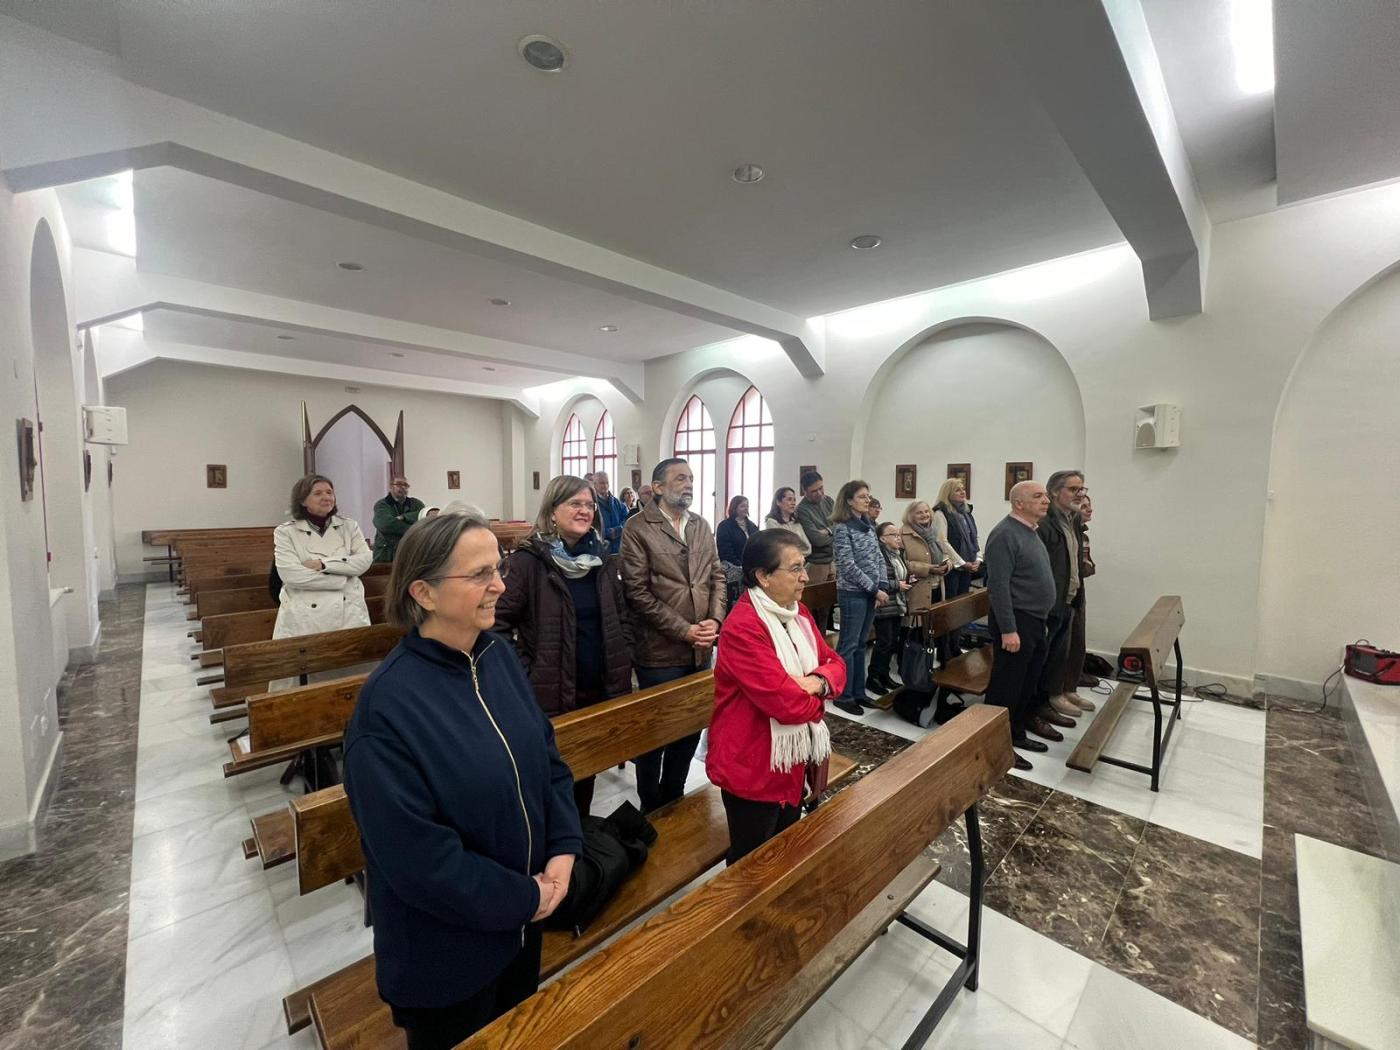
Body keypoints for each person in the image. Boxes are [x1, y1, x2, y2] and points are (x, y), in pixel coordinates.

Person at [341, 511, 582, 1050]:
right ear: (423, 592)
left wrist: (563, 850)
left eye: (498, 568)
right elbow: (420, 863)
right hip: (446, 959)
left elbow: (547, 759)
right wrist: (526, 896)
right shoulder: (386, 709)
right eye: (479, 574)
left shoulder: (496, 656)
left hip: (522, 927)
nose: (500, 585)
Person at [493, 476, 634, 815]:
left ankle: (579, 840)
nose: (584, 511)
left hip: (598, 690)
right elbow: (495, 626)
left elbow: (622, 617)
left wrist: (623, 655)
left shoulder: (601, 560)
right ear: (552, 511)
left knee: (584, 778)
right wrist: (525, 672)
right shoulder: (528, 562)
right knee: (548, 787)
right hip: (549, 694)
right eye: (575, 504)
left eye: (589, 505)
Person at [707, 530, 846, 864]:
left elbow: (838, 665)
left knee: (783, 850)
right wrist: (820, 690)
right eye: (795, 568)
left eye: (804, 566)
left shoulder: (798, 614)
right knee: (751, 861)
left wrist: (815, 682)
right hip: (753, 763)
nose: (805, 576)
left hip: (792, 758)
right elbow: (787, 706)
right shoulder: (743, 627)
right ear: (763, 576)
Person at [620, 457, 727, 812]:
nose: (689, 484)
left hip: (700, 647)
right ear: (658, 487)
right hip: (659, 650)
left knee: (691, 725)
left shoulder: (700, 525)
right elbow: (637, 593)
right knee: (656, 732)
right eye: (680, 478)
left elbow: (717, 576)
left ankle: (674, 795)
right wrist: (685, 630)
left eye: (691, 478)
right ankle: (650, 804)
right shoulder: (638, 527)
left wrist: (715, 620)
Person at [983, 480, 1057, 770]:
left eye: (1045, 496)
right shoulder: (1004, 534)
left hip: (1034, 620)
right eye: (1038, 496)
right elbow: (998, 587)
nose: (1046, 500)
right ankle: (993, 747)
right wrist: (1008, 629)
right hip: (1016, 621)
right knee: (1007, 688)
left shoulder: (1030, 531)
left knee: (1027, 683)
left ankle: (1014, 734)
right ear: (1019, 503)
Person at [273, 474, 373, 639]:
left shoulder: (349, 526)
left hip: (349, 612)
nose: (326, 497)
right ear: (303, 500)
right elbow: (290, 575)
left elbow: (365, 561)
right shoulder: (286, 532)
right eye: (317, 493)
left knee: (352, 652)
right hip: (306, 617)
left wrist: (323, 564)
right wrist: (342, 577)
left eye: (329, 492)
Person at [1035, 470, 1088, 729]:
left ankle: (1059, 693)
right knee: (1046, 656)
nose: (1080, 494)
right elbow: (1040, 568)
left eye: (1082, 489)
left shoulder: (1073, 519)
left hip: (1069, 596)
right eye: (1073, 489)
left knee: (1060, 653)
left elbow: (1074, 559)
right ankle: (1043, 702)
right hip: (1050, 601)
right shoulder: (1044, 523)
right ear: (1055, 492)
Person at [831, 480, 889, 716]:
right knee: (848, 644)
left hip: (870, 592)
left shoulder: (868, 525)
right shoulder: (842, 528)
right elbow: (847, 565)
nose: (867, 500)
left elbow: (878, 557)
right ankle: (843, 695)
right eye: (862, 496)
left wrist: (882, 584)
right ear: (849, 500)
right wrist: (874, 589)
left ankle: (858, 692)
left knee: (861, 644)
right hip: (853, 593)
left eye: (868, 496)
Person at [1060, 491, 1097, 707]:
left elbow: (1087, 565)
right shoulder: (1064, 533)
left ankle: (1070, 687)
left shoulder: (1082, 535)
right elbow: (1079, 567)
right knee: (1066, 645)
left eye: (1089, 505)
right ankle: (1061, 690)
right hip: (1065, 596)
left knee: (1077, 642)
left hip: (1077, 592)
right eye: (1084, 506)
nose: (1089, 510)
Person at [870, 522, 912, 695]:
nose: (898, 538)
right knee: (883, 643)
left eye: (898, 534)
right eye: (893, 535)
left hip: (897, 604)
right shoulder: (879, 554)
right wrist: (897, 585)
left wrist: (908, 580)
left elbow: (900, 575)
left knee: (891, 642)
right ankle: (873, 678)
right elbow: (876, 580)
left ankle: (884, 675)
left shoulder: (897, 554)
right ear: (882, 539)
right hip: (884, 605)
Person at [932, 478, 982, 610]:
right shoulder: (940, 513)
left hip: (968, 564)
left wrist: (978, 558)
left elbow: (974, 537)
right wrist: (961, 562)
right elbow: (942, 541)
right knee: (951, 605)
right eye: (957, 490)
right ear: (948, 493)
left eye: (963, 489)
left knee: (963, 604)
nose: (962, 492)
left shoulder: (966, 512)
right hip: (952, 567)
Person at [716, 495, 760, 607]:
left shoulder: (752, 526)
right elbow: (725, 551)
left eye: (747, 506)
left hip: (750, 565)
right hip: (732, 565)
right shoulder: (725, 526)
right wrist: (740, 564)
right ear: (734, 508)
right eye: (742, 506)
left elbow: (758, 546)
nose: (746, 508)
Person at [372, 475, 425, 563]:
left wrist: (403, 517)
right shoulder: (382, 505)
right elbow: (385, 524)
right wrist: (413, 528)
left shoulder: (416, 504)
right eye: (399, 484)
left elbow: (424, 517)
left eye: (406, 485)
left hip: (411, 552)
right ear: (391, 486)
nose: (403, 487)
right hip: (386, 554)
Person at [795, 471, 836, 585]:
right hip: (816, 563)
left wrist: (827, 531)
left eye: (821, 488)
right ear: (805, 492)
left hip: (833, 560)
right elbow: (817, 540)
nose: (819, 493)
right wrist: (835, 531)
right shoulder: (802, 510)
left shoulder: (828, 501)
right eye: (814, 491)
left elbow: (842, 526)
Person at [764, 487, 811, 558]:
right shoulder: (772, 522)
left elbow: (808, 548)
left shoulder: (796, 523)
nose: (793, 503)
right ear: (778, 502)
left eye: (794, 500)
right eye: (789, 499)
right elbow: (779, 550)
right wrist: (797, 550)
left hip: (799, 561)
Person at [592, 471, 629, 556]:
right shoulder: (592, 503)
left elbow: (627, 520)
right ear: (595, 485)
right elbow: (590, 526)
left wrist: (619, 529)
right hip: (600, 549)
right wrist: (606, 533)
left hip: (619, 548)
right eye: (602, 483)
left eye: (607, 483)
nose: (605, 486)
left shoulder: (618, 503)